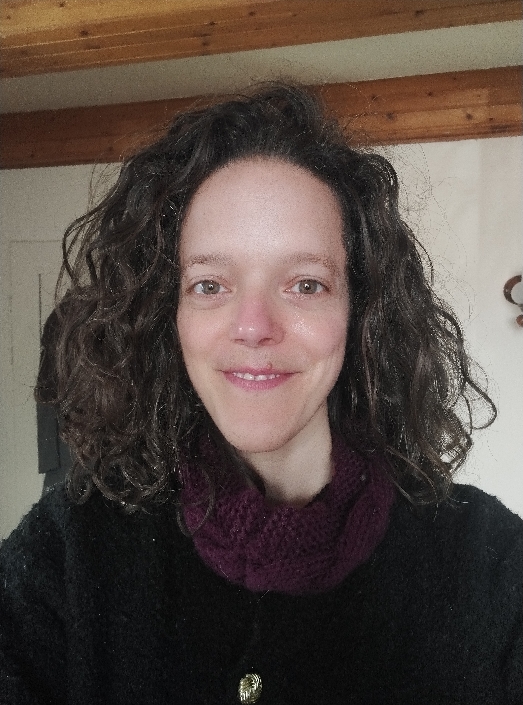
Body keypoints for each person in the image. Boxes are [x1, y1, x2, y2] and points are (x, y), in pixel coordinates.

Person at [1, 84, 522, 705]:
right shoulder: (66, 556)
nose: (252, 326)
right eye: (210, 285)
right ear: (169, 315)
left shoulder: (492, 563)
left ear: (360, 312)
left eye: (305, 284)